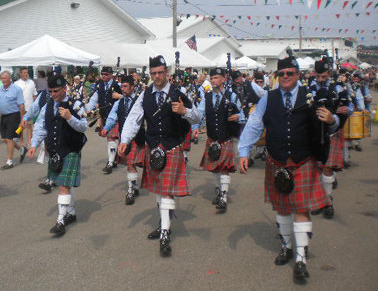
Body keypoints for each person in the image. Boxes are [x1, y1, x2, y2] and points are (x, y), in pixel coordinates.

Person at [238, 57, 339, 281]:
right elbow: (254, 123)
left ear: (297, 75)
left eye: (290, 73)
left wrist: (332, 121)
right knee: (282, 207)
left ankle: (301, 258)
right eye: (281, 73)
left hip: (304, 160)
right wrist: (244, 151)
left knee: (301, 208)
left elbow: (330, 123)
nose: (285, 77)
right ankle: (286, 246)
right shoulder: (269, 99)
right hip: (277, 161)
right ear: (277, 76)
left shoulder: (311, 96)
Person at [118, 55, 201, 257]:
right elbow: (134, 119)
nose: (157, 76)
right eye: (153, 73)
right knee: (158, 189)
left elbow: (198, 117)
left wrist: (184, 111)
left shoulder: (178, 93)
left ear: (167, 73)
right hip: (152, 147)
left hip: (172, 148)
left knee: (167, 191)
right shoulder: (144, 95)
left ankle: (165, 232)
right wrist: (125, 140)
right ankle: (165, 223)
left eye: (160, 72)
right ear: (151, 74)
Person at [28, 75, 88, 236]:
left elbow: (83, 126)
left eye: (56, 91)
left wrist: (70, 118)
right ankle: (72, 212)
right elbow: (40, 126)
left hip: (71, 149)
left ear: (64, 89)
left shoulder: (75, 104)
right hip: (55, 151)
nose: (53, 94)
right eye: (51, 91)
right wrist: (34, 144)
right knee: (65, 185)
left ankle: (60, 220)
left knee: (63, 185)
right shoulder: (47, 106)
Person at [192, 68, 243, 213]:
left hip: (226, 137)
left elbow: (243, 114)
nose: (213, 80)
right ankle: (219, 191)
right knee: (214, 167)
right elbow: (199, 114)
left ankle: (224, 197)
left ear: (223, 79)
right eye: (212, 78)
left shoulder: (232, 96)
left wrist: (238, 117)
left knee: (224, 168)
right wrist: (195, 126)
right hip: (212, 138)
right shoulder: (207, 97)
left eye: (216, 78)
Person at [308, 58, 351, 218]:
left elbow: (350, 108)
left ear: (329, 74)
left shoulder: (338, 88)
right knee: (315, 168)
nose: (320, 80)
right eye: (318, 76)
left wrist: (344, 110)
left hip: (331, 133)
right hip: (313, 132)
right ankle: (320, 198)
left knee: (327, 167)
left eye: (324, 77)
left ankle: (327, 200)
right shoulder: (307, 88)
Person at [102, 75, 145, 205]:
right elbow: (112, 116)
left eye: (125, 86)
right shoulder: (119, 102)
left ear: (133, 87)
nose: (123, 89)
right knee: (130, 164)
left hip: (138, 137)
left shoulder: (140, 101)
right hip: (125, 139)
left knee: (139, 164)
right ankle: (132, 189)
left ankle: (136, 187)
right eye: (122, 87)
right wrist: (106, 128)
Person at [87, 66, 122, 174]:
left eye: (106, 74)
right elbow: (94, 98)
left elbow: (126, 97)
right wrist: (88, 109)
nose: (104, 76)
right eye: (102, 74)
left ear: (111, 75)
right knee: (110, 139)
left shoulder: (116, 85)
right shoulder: (100, 85)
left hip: (115, 116)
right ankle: (113, 161)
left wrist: (119, 96)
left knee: (112, 139)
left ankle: (111, 162)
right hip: (104, 116)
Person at [0, 71, 27, 170]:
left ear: (9, 79)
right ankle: (21, 149)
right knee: (4, 139)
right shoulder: (0, 89)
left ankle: (9, 161)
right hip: (3, 116)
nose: (3, 80)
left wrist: (22, 119)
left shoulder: (16, 89)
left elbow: (21, 105)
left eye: (4, 78)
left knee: (9, 138)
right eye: (2, 78)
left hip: (13, 116)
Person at [15, 67, 37, 148]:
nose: (26, 74)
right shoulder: (16, 83)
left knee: (29, 126)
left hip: (29, 108)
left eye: (27, 72)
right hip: (20, 108)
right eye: (24, 72)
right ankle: (21, 142)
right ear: (21, 73)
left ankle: (29, 142)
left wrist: (35, 106)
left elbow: (34, 95)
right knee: (21, 126)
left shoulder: (31, 82)